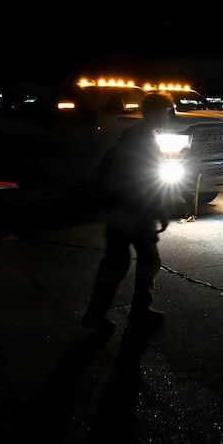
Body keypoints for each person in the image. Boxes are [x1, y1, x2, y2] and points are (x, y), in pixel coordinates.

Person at [82, 91, 176, 331]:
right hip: (135, 209)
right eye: (167, 112)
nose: (169, 117)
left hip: (120, 208)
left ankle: (96, 314)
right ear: (157, 113)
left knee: (117, 262)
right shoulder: (145, 138)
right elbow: (149, 178)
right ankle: (138, 312)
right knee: (146, 260)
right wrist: (161, 209)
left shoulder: (133, 135)